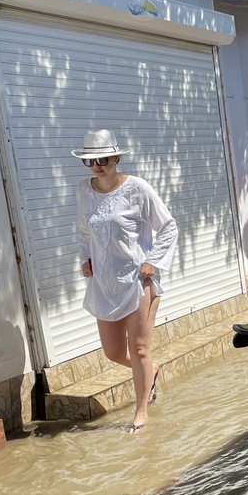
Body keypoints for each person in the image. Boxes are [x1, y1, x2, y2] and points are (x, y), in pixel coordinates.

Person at [74, 129, 179, 434]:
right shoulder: (84, 191)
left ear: (116, 157)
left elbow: (168, 227)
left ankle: (141, 411)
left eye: (103, 158)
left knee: (141, 348)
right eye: (89, 160)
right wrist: (85, 258)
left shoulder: (137, 189)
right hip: (104, 283)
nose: (96, 165)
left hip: (137, 281)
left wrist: (153, 261)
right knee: (114, 353)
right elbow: (83, 231)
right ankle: (151, 372)